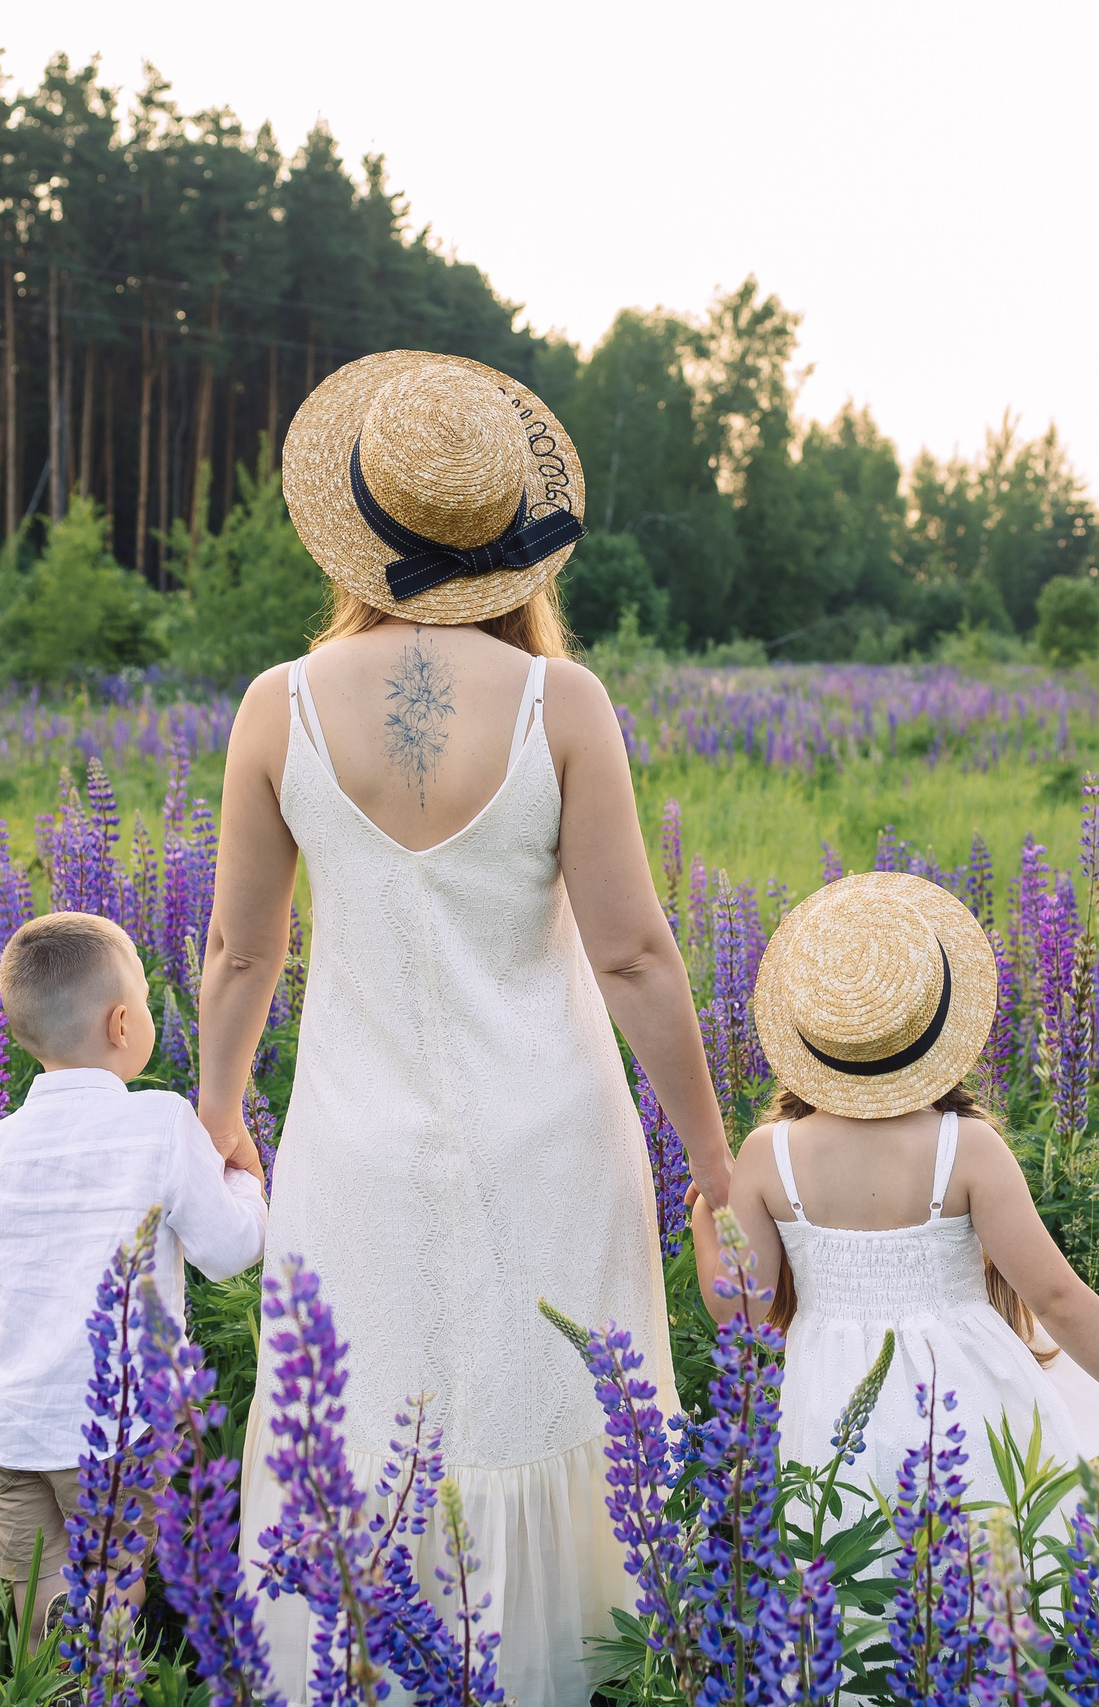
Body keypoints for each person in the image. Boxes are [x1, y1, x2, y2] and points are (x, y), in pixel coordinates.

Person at [194, 351, 733, 1706]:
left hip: (351, 1147)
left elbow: (239, 948)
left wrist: (215, 1111)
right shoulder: (562, 703)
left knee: (357, 1421)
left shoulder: (280, 702)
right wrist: (718, 1168)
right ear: (512, 541)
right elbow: (635, 954)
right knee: (559, 1411)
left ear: (355, 524)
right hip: (553, 1134)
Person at [689, 872, 1099, 1599]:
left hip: (823, 1400)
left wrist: (702, 1227)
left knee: (851, 1587)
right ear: (933, 1027)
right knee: (993, 1574)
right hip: (963, 1396)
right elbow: (1056, 1297)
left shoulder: (769, 1153)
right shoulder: (968, 1146)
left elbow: (741, 1314)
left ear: (809, 1035)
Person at [0, 912, 268, 1657]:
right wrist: (247, 1174)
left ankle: (51, 1687)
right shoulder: (161, 1123)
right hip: (113, 1436)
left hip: (7, 1433)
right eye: (149, 1002)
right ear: (123, 1022)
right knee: (112, 1600)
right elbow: (230, 1249)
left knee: (41, 1610)